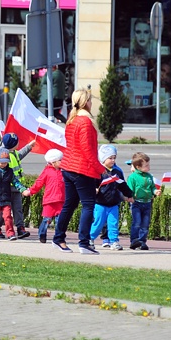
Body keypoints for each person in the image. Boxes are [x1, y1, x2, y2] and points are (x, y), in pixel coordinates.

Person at [51, 88, 104, 255]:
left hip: (68, 166)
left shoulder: (71, 119)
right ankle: (84, 242)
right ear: (85, 102)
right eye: (90, 100)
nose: (91, 102)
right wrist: (100, 169)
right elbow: (88, 151)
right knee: (88, 205)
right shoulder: (85, 122)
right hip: (82, 169)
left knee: (70, 204)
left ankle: (59, 238)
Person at [90, 144, 134, 251]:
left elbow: (122, 185)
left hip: (114, 203)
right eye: (110, 158)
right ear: (103, 159)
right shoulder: (98, 171)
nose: (113, 160)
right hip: (100, 203)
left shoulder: (117, 172)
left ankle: (114, 241)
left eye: (114, 158)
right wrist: (94, 189)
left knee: (113, 223)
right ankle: (89, 239)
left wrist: (129, 195)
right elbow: (92, 183)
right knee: (98, 223)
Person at [23, 149, 65, 244]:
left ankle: (59, 237)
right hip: (49, 200)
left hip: (61, 200)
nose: (63, 162)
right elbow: (39, 183)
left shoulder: (64, 172)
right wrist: (30, 191)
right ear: (53, 162)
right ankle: (42, 234)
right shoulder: (47, 171)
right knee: (47, 219)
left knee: (60, 220)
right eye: (61, 160)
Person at [1, 133, 34, 239]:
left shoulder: (14, 153)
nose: (18, 144)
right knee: (4, 211)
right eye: (16, 142)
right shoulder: (4, 155)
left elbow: (20, 154)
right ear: (12, 144)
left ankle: (20, 228)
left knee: (18, 209)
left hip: (16, 188)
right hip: (7, 188)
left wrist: (29, 146)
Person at [127, 151, 160, 250]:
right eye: (146, 165)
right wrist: (130, 197)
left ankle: (142, 241)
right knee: (137, 222)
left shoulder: (149, 176)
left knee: (145, 224)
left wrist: (155, 191)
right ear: (138, 167)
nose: (148, 167)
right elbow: (129, 189)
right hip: (136, 203)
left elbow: (152, 187)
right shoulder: (133, 177)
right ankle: (134, 240)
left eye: (148, 164)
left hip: (147, 203)